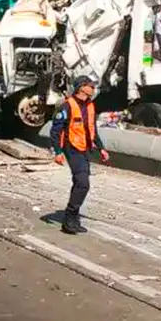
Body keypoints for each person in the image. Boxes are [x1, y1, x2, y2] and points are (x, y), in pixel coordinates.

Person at [49, 76, 110, 234]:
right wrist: (58, 152)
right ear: (81, 87)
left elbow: (93, 129)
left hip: (85, 149)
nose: (93, 89)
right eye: (90, 86)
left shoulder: (90, 105)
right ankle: (69, 218)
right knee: (83, 183)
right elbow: (55, 131)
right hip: (71, 147)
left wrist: (101, 148)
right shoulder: (67, 106)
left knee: (80, 183)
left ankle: (73, 219)